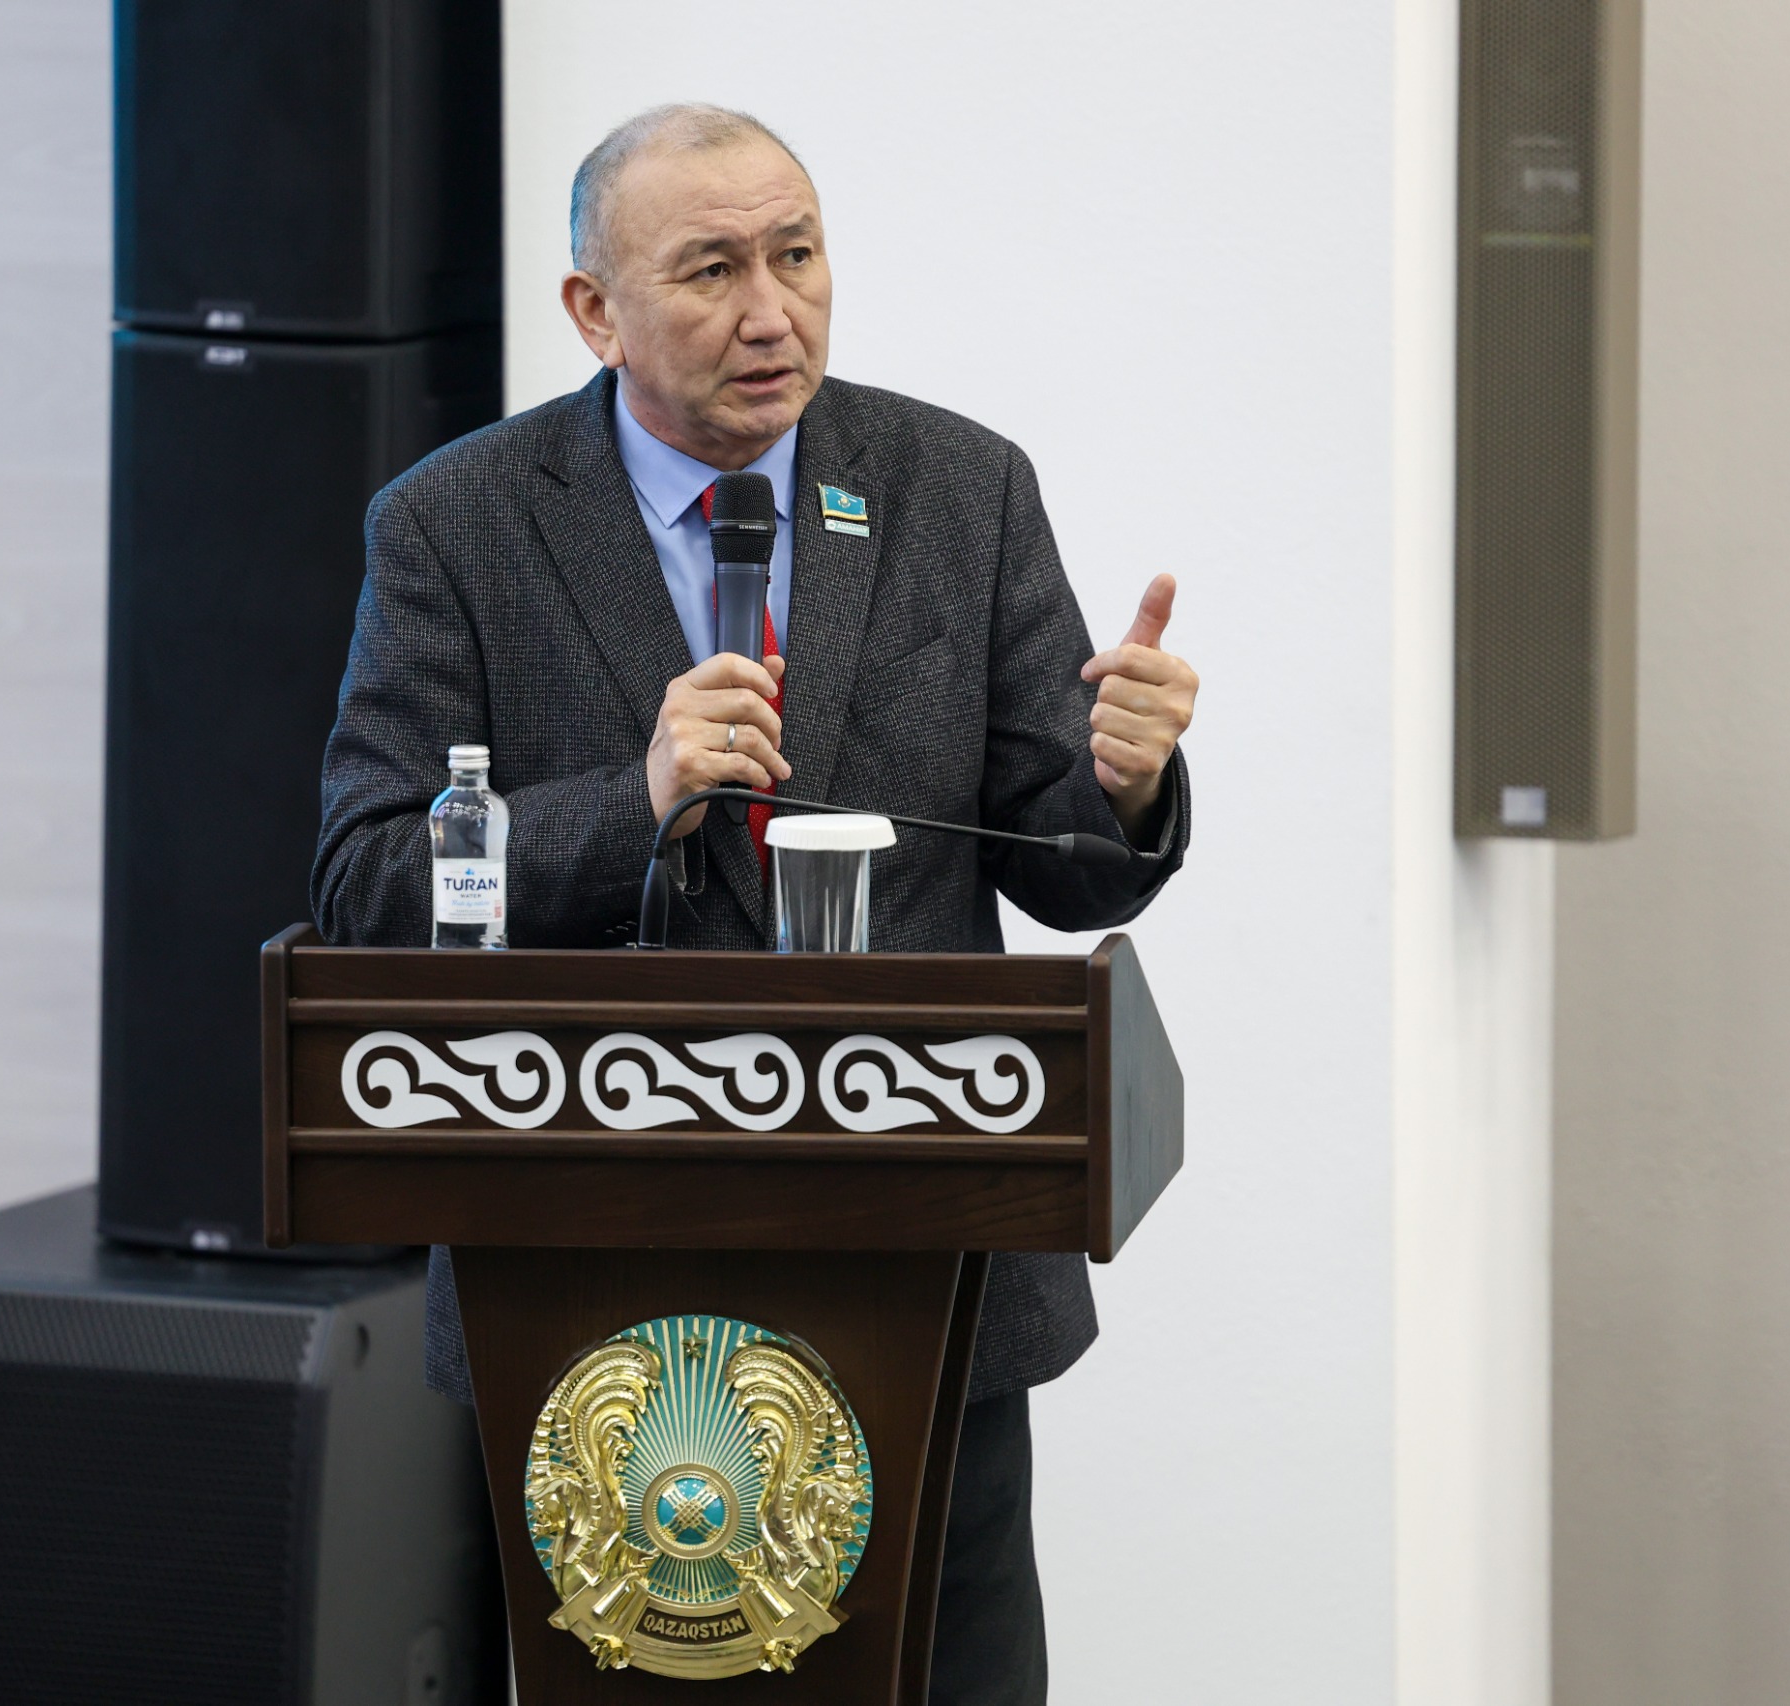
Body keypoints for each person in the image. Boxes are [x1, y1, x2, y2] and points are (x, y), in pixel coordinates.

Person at [313, 103, 1201, 1704]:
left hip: (928, 1274)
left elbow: (1057, 858)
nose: (773, 310)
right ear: (595, 310)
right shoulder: (455, 524)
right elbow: (371, 886)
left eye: (797, 254)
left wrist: (1125, 782)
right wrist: (632, 796)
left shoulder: (958, 488)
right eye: (712, 269)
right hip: (585, 1294)